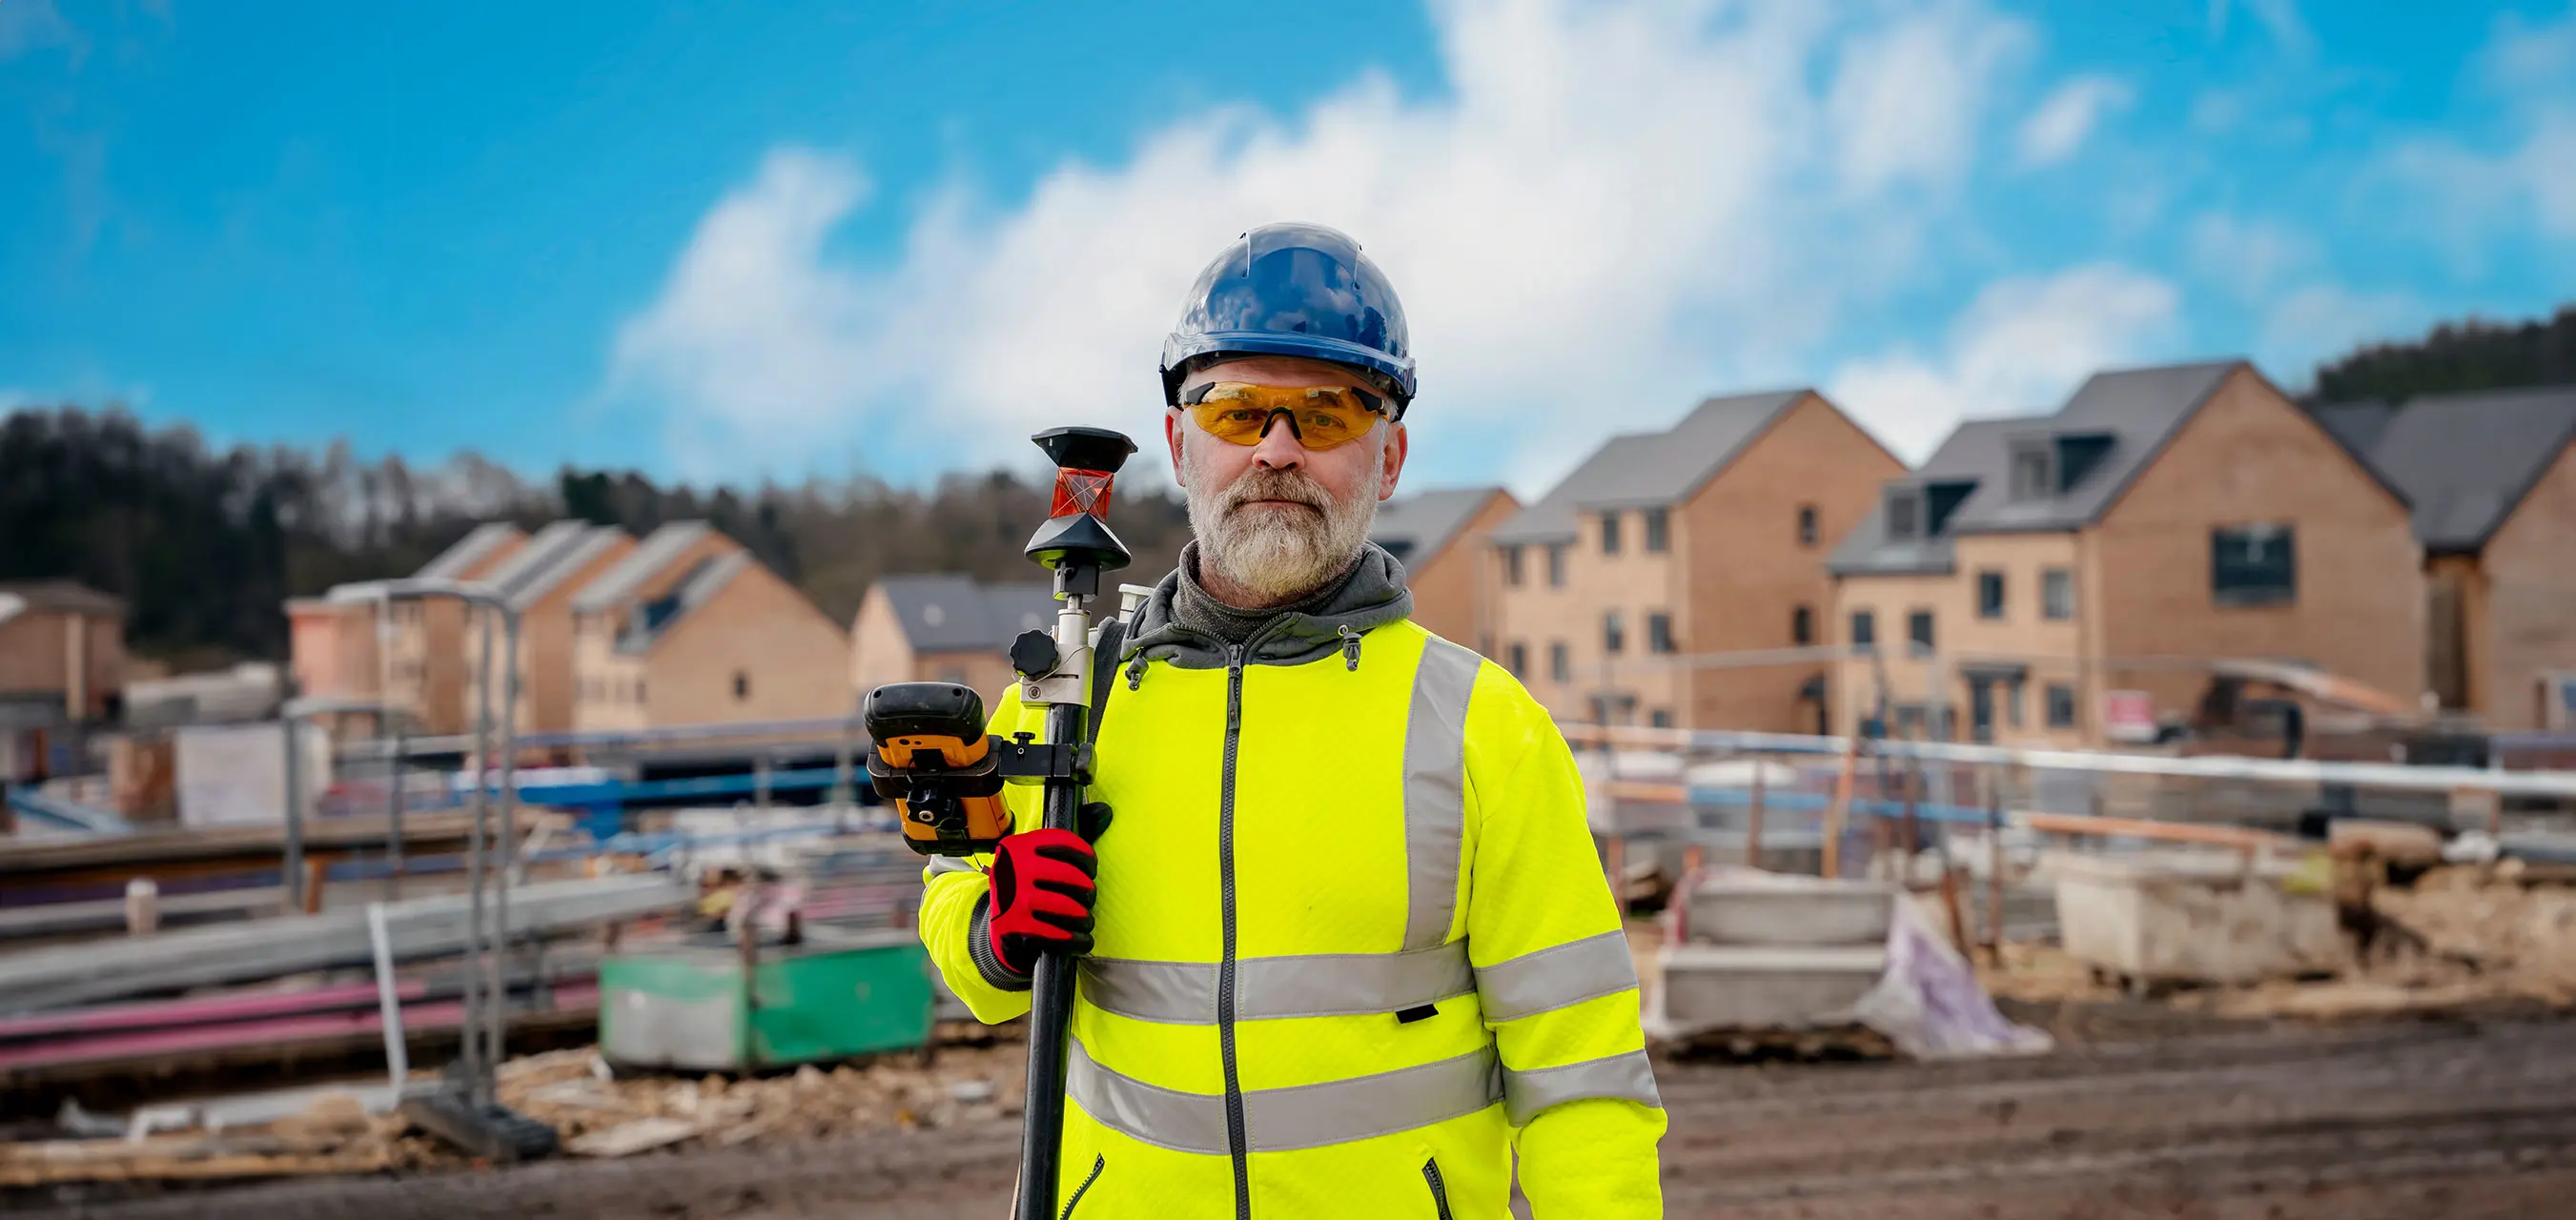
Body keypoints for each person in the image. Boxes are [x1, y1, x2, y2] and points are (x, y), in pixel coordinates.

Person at [919, 222, 1665, 1216]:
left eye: (1325, 414)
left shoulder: (1483, 728)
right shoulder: (1069, 695)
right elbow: (961, 921)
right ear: (1179, 443)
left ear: (1388, 456)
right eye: (1235, 411)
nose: (1276, 450)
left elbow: (1582, 1078)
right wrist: (995, 934)